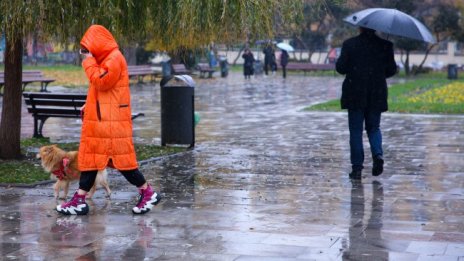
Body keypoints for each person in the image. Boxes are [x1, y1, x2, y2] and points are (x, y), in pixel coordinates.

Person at [56, 25, 161, 215]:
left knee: (123, 163)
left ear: (97, 44)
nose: (85, 54)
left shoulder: (114, 58)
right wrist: (88, 106)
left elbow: (101, 81)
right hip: (103, 121)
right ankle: (79, 199)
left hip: (111, 123)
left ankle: (148, 192)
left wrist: (88, 62)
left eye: (87, 49)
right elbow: (102, 92)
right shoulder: (107, 59)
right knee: (91, 160)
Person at [335, 27, 397, 180]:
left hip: (355, 93)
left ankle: (357, 169)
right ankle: (377, 154)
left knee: (356, 131)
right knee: (374, 127)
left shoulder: (350, 44)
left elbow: (341, 68)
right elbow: (391, 70)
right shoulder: (385, 45)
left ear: (360, 27)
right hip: (376, 93)